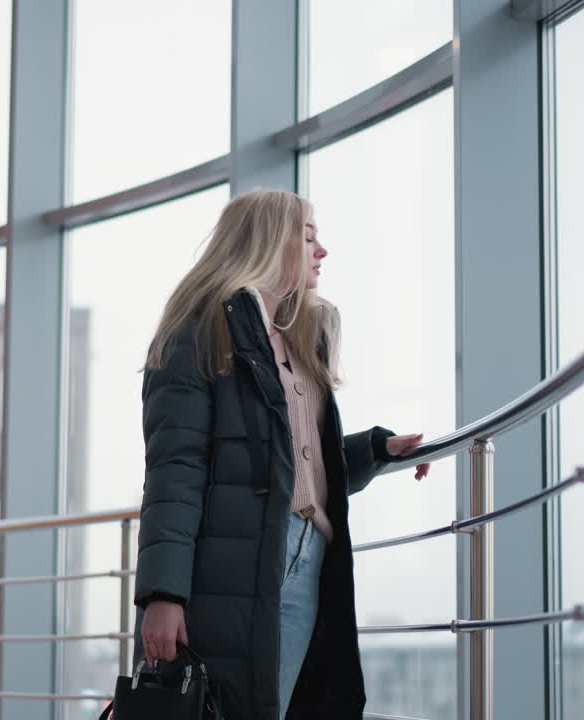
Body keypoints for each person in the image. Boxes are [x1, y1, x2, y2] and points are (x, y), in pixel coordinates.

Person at [132, 189, 431, 720]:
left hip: (307, 556)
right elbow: (174, 472)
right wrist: (163, 594)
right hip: (229, 563)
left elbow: (290, 460)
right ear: (269, 240)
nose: (322, 250)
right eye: (310, 234)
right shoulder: (200, 333)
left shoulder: (298, 341)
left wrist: (375, 450)